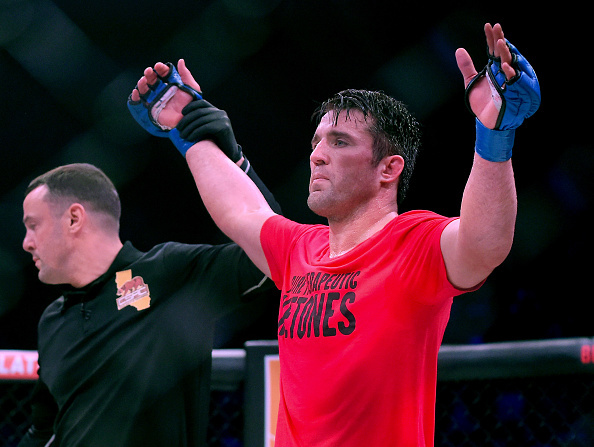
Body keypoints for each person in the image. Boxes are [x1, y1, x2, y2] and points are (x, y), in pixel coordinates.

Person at [130, 22, 539, 446]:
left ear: (388, 169)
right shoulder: (299, 249)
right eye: (317, 142)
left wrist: (494, 135)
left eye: (340, 142)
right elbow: (241, 210)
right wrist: (187, 129)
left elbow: (484, 242)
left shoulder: (413, 243)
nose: (317, 155)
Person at [18, 131, 282, 444]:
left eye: (33, 225)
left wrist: (236, 162)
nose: (26, 243)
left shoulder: (166, 273)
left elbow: (273, 251)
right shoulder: (53, 319)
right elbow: (43, 430)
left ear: (74, 219)